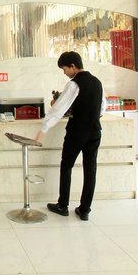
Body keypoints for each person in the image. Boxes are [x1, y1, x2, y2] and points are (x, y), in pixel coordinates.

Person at [35, 51, 106, 221]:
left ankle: (63, 205)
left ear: (73, 66)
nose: (64, 72)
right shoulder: (97, 82)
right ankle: (85, 210)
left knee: (66, 166)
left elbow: (58, 109)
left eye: (64, 69)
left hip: (77, 132)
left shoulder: (74, 84)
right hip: (95, 132)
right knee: (90, 170)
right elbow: (102, 108)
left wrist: (43, 130)